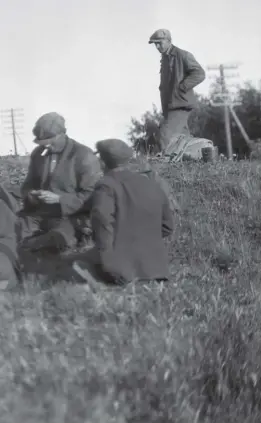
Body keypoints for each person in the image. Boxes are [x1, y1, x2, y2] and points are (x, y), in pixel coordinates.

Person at [0, 112, 102, 290]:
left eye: (50, 140)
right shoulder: (38, 155)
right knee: (12, 233)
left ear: (63, 133)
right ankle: (13, 273)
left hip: (70, 216)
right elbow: (27, 185)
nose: (46, 145)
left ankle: (39, 273)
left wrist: (60, 199)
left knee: (53, 241)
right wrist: (31, 194)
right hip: (39, 214)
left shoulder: (83, 156)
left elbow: (91, 196)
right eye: (42, 142)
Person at [73, 138, 174, 289]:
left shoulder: (106, 185)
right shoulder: (151, 183)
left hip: (123, 273)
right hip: (158, 271)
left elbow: (102, 224)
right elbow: (167, 227)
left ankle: (106, 288)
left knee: (76, 263)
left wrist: (109, 264)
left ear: (102, 162)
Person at [148, 28, 206, 158]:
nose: (157, 46)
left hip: (180, 105)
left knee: (164, 135)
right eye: (155, 44)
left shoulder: (182, 55)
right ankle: (197, 159)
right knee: (183, 139)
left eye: (159, 42)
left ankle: (162, 165)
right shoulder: (165, 58)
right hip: (171, 105)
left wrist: (182, 87)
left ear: (169, 41)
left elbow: (200, 74)